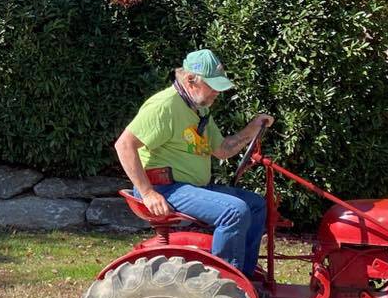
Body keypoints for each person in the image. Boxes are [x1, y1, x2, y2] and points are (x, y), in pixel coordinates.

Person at [114, 50, 274, 278]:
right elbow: (124, 145)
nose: (217, 92)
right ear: (190, 80)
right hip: (165, 188)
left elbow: (222, 150)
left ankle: (245, 279)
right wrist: (148, 192)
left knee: (256, 204)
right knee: (234, 212)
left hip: (191, 187)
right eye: (213, 86)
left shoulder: (200, 109)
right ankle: (226, 285)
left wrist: (252, 129)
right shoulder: (164, 106)